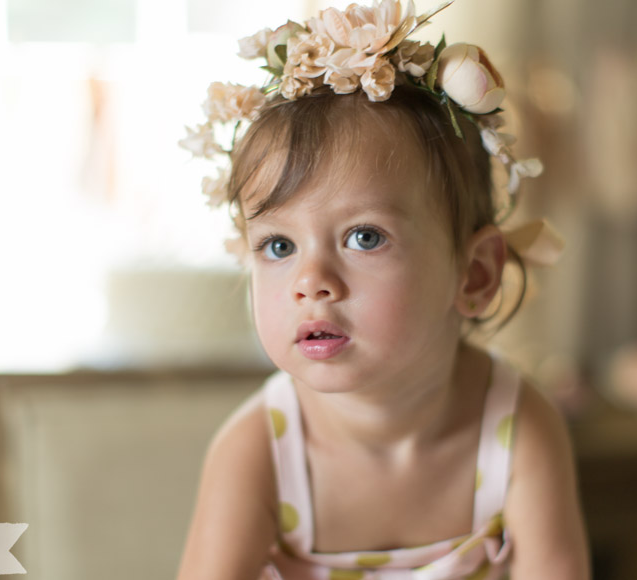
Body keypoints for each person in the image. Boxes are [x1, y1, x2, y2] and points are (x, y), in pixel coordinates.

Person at [177, 1, 589, 578]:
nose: (310, 282)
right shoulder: (259, 452)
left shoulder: (518, 430)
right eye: (278, 246)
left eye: (364, 236)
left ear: (474, 276)